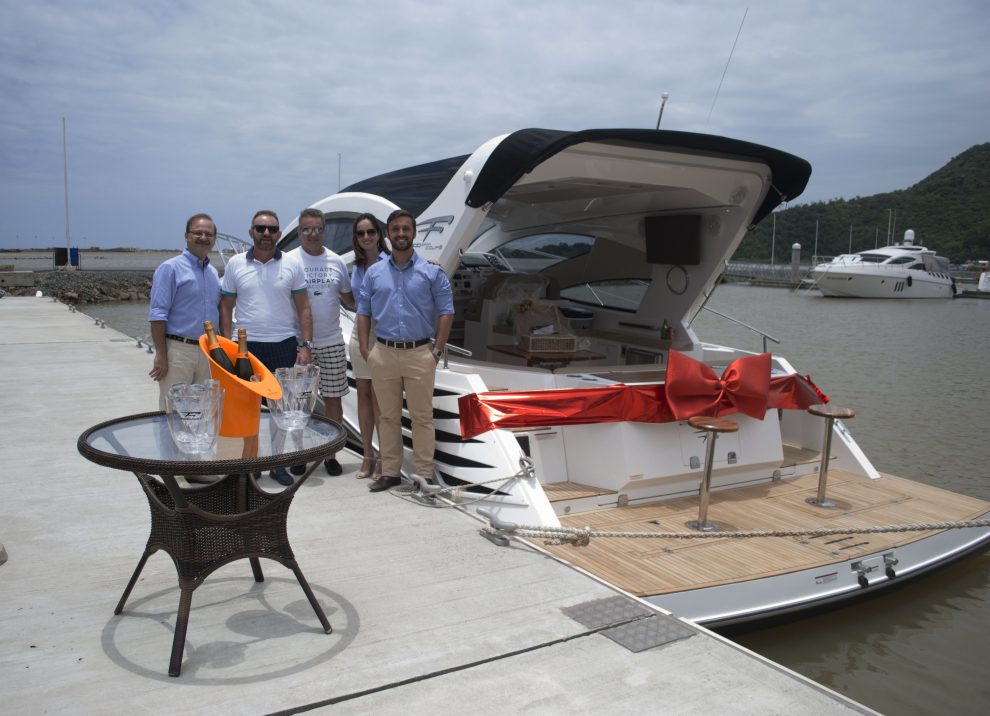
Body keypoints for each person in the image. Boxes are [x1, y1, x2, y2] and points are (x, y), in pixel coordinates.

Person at [357, 209, 454, 493]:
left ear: (414, 233)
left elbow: (446, 312)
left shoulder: (432, 272)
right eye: (395, 229)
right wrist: (366, 349)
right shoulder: (374, 273)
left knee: (422, 417)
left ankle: (422, 474)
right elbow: (363, 312)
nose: (400, 234)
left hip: (420, 353)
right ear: (388, 234)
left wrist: (436, 351)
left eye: (406, 229)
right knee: (387, 417)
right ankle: (390, 473)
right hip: (384, 352)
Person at [220, 209, 313, 486]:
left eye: (272, 229)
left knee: (281, 410)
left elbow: (304, 307)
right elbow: (226, 306)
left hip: (284, 344)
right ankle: (250, 462)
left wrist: (305, 345)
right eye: (260, 228)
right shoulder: (236, 264)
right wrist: (226, 344)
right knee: (248, 408)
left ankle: (277, 463)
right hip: (245, 347)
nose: (266, 234)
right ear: (251, 232)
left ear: (279, 233)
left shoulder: (293, 264)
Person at [287, 208, 354, 476]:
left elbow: (351, 299)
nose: (313, 235)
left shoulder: (337, 261)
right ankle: (300, 453)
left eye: (317, 229)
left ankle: (330, 454)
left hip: (333, 342)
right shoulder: (290, 260)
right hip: (298, 344)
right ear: (299, 232)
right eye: (307, 230)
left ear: (324, 231)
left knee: (333, 400)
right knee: (300, 402)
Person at [148, 213, 222, 408]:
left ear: (214, 239)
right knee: (173, 412)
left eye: (209, 234)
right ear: (186, 236)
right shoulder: (170, 268)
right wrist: (161, 355)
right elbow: (157, 315)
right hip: (178, 352)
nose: (203, 238)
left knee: (204, 411)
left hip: (208, 352)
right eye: (198, 233)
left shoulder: (213, 273)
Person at [348, 213, 390, 480]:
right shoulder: (356, 266)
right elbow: (352, 301)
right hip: (357, 332)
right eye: (361, 233)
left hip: (382, 332)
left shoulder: (390, 262)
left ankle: (385, 457)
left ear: (379, 234)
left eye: (371, 232)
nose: (366, 237)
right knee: (362, 395)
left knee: (379, 399)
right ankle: (367, 455)